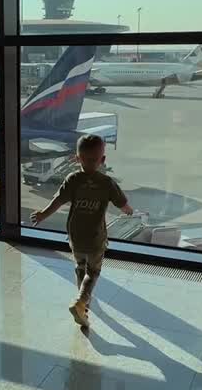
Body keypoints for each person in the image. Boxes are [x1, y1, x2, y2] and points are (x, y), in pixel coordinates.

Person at [30, 133, 134, 329]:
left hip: (75, 235)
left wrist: (43, 215)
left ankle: (82, 303)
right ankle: (81, 301)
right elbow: (123, 204)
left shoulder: (73, 179)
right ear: (102, 160)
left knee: (80, 267)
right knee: (93, 272)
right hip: (95, 238)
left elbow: (58, 201)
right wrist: (129, 211)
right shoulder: (106, 182)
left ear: (77, 158)